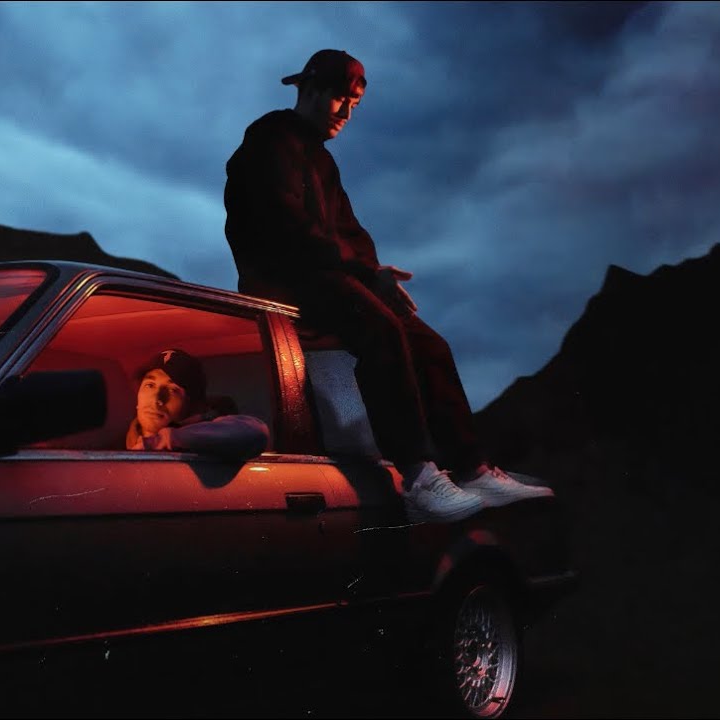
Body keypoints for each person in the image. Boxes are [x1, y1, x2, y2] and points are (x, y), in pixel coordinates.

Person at [223, 48, 552, 523]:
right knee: (380, 329)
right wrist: (362, 276)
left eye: (354, 103)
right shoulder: (269, 142)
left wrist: (375, 277)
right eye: (339, 98)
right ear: (309, 90)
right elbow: (289, 230)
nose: (346, 112)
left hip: (326, 276)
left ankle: (473, 469)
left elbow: (350, 233)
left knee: (428, 342)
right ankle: (418, 475)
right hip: (280, 282)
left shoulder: (323, 164)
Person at [126, 348, 271, 460]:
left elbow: (255, 432)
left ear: (193, 406)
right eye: (150, 385)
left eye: (173, 390)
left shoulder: (206, 447)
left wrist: (167, 440)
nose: (156, 399)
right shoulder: (115, 448)